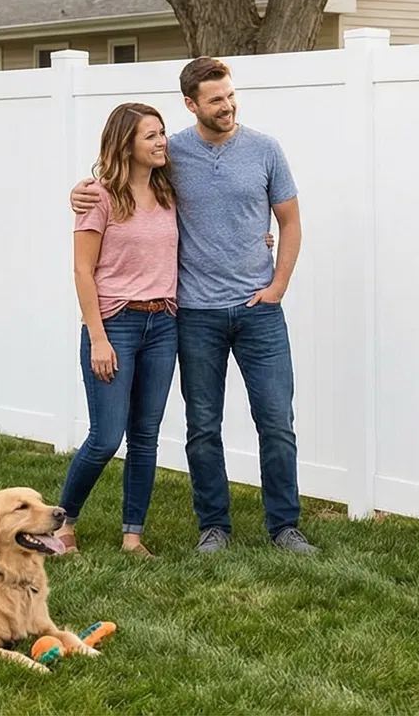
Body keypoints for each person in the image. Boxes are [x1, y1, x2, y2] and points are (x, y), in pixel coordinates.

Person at [72, 56, 314, 555]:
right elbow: (118, 181)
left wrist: (278, 285)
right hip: (194, 314)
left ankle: (285, 527)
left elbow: (289, 221)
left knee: (276, 420)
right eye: (215, 100)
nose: (227, 107)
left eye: (230, 96)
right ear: (192, 104)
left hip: (259, 311)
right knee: (203, 425)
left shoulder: (266, 150)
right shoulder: (171, 154)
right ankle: (214, 527)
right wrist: (80, 190)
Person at [52, 103, 178, 558]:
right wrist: (99, 338)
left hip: (163, 323)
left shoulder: (169, 193)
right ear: (126, 144)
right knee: (106, 437)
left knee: (145, 435)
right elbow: (82, 271)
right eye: (151, 135)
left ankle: (132, 537)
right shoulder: (99, 197)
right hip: (115, 325)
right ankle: (62, 524)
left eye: (162, 133)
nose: (162, 141)